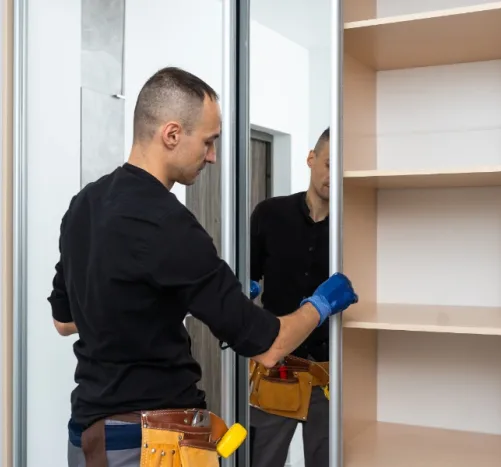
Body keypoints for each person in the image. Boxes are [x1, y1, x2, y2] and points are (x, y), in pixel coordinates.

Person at [48, 67, 358, 467]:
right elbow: (269, 346)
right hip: (150, 444)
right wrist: (321, 303)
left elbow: (64, 320)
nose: (212, 156)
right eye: (209, 142)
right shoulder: (170, 224)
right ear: (172, 134)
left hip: (91, 438)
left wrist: (150, 302)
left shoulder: (83, 204)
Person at [248, 127, 334, 467]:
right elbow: (248, 277)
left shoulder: (354, 225)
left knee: (326, 459)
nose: (332, 176)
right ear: (311, 159)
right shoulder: (270, 214)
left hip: (331, 373)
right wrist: (247, 290)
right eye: (328, 164)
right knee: (262, 460)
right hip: (276, 366)